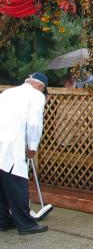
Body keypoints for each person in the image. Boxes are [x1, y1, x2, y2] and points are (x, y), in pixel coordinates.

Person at [0, 73, 49, 235]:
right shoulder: (36, 96)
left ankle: (3, 220)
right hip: (11, 144)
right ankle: (26, 224)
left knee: (2, 182)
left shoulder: (7, 93)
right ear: (41, 86)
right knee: (18, 183)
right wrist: (33, 146)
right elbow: (34, 123)